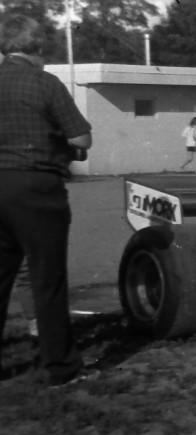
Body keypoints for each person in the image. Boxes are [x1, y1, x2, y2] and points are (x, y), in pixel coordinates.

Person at [0, 14, 94, 385]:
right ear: (37, 47)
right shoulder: (45, 83)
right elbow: (82, 140)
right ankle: (61, 366)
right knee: (47, 278)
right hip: (37, 185)